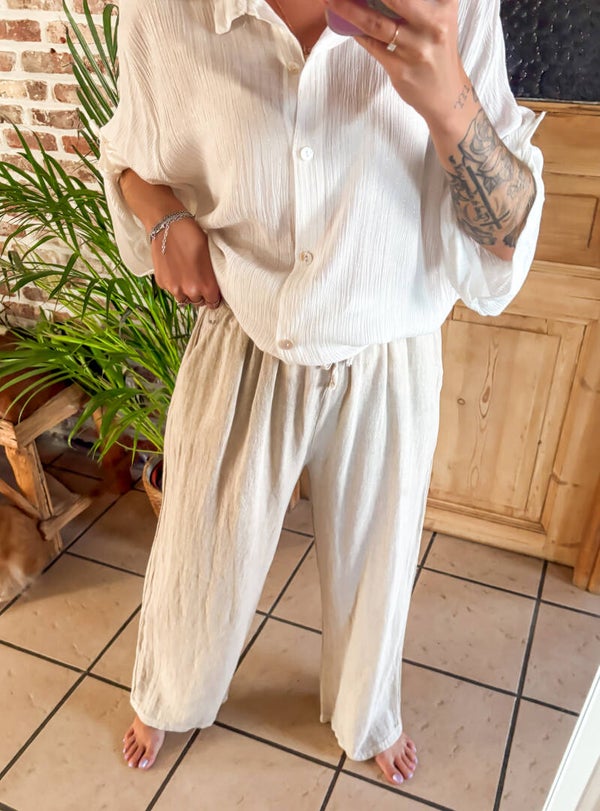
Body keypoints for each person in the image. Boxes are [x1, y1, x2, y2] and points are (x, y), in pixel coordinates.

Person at [98, 0, 544, 788]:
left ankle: (366, 710)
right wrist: (162, 218)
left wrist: (448, 101)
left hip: (390, 343)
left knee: (379, 567)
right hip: (242, 333)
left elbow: (503, 246)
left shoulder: (455, 7)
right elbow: (129, 157)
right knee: (199, 549)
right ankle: (170, 690)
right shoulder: (165, 11)